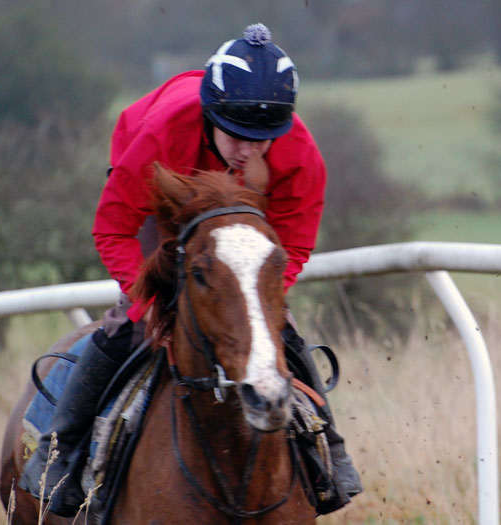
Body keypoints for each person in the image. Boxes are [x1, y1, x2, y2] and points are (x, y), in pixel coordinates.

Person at [19, 23, 361, 515]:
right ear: (209, 115)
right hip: (164, 204)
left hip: (240, 234)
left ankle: (329, 452)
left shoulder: (299, 155)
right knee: (127, 327)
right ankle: (62, 456)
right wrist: (153, 300)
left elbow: (293, 247)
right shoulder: (164, 133)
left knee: (279, 332)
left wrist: (252, 298)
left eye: (262, 140)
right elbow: (112, 228)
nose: (248, 151)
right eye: (237, 136)